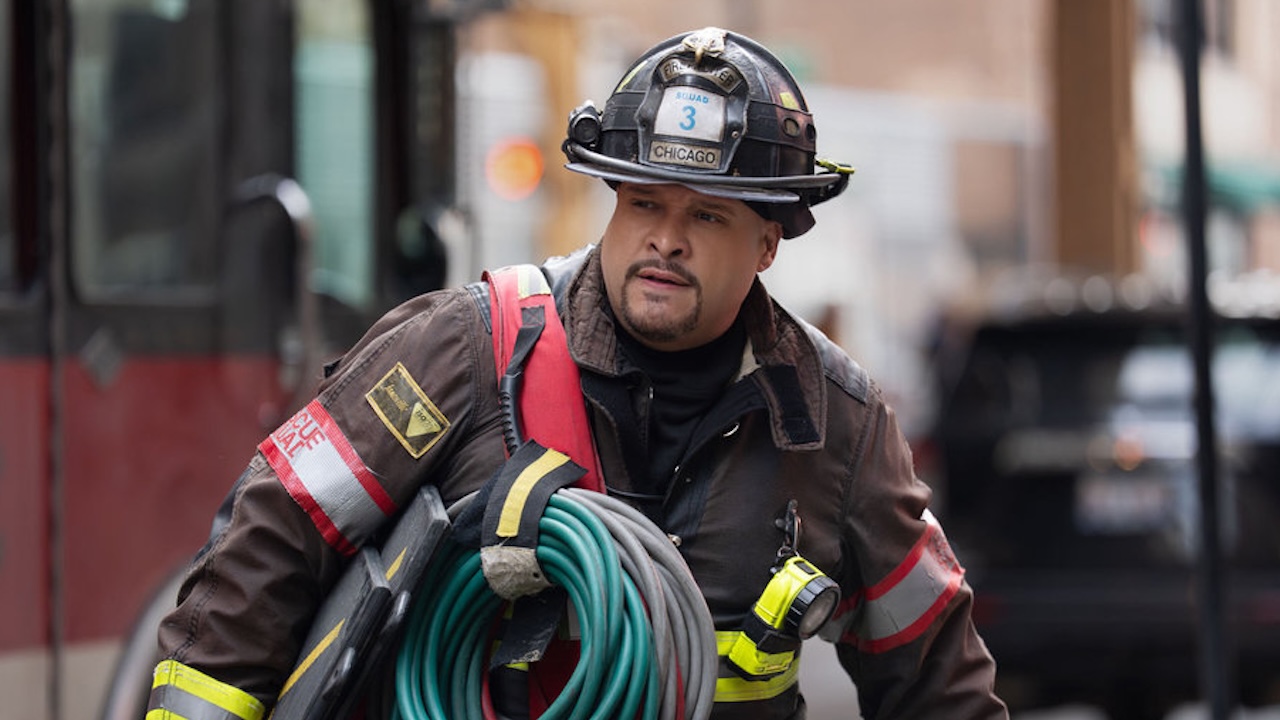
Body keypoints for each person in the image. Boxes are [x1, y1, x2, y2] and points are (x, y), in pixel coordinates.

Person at [146, 26, 1008, 720]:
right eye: (642, 202)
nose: (664, 238)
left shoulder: (835, 427)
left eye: (705, 215)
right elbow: (275, 531)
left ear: (770, 240)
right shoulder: (464, 352)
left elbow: (935, 671)